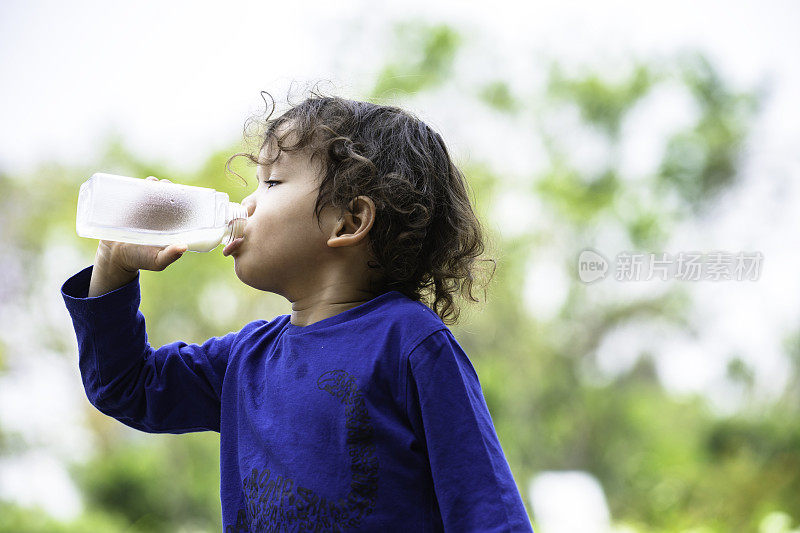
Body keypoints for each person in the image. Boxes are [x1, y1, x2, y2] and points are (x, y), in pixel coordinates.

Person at [61, 90, 535, 532]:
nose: (245, 204)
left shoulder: (410, 343)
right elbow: (125, 386)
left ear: (349, 220)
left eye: (271, 182)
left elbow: (487, 509)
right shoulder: (244, 359)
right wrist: (113, 265)